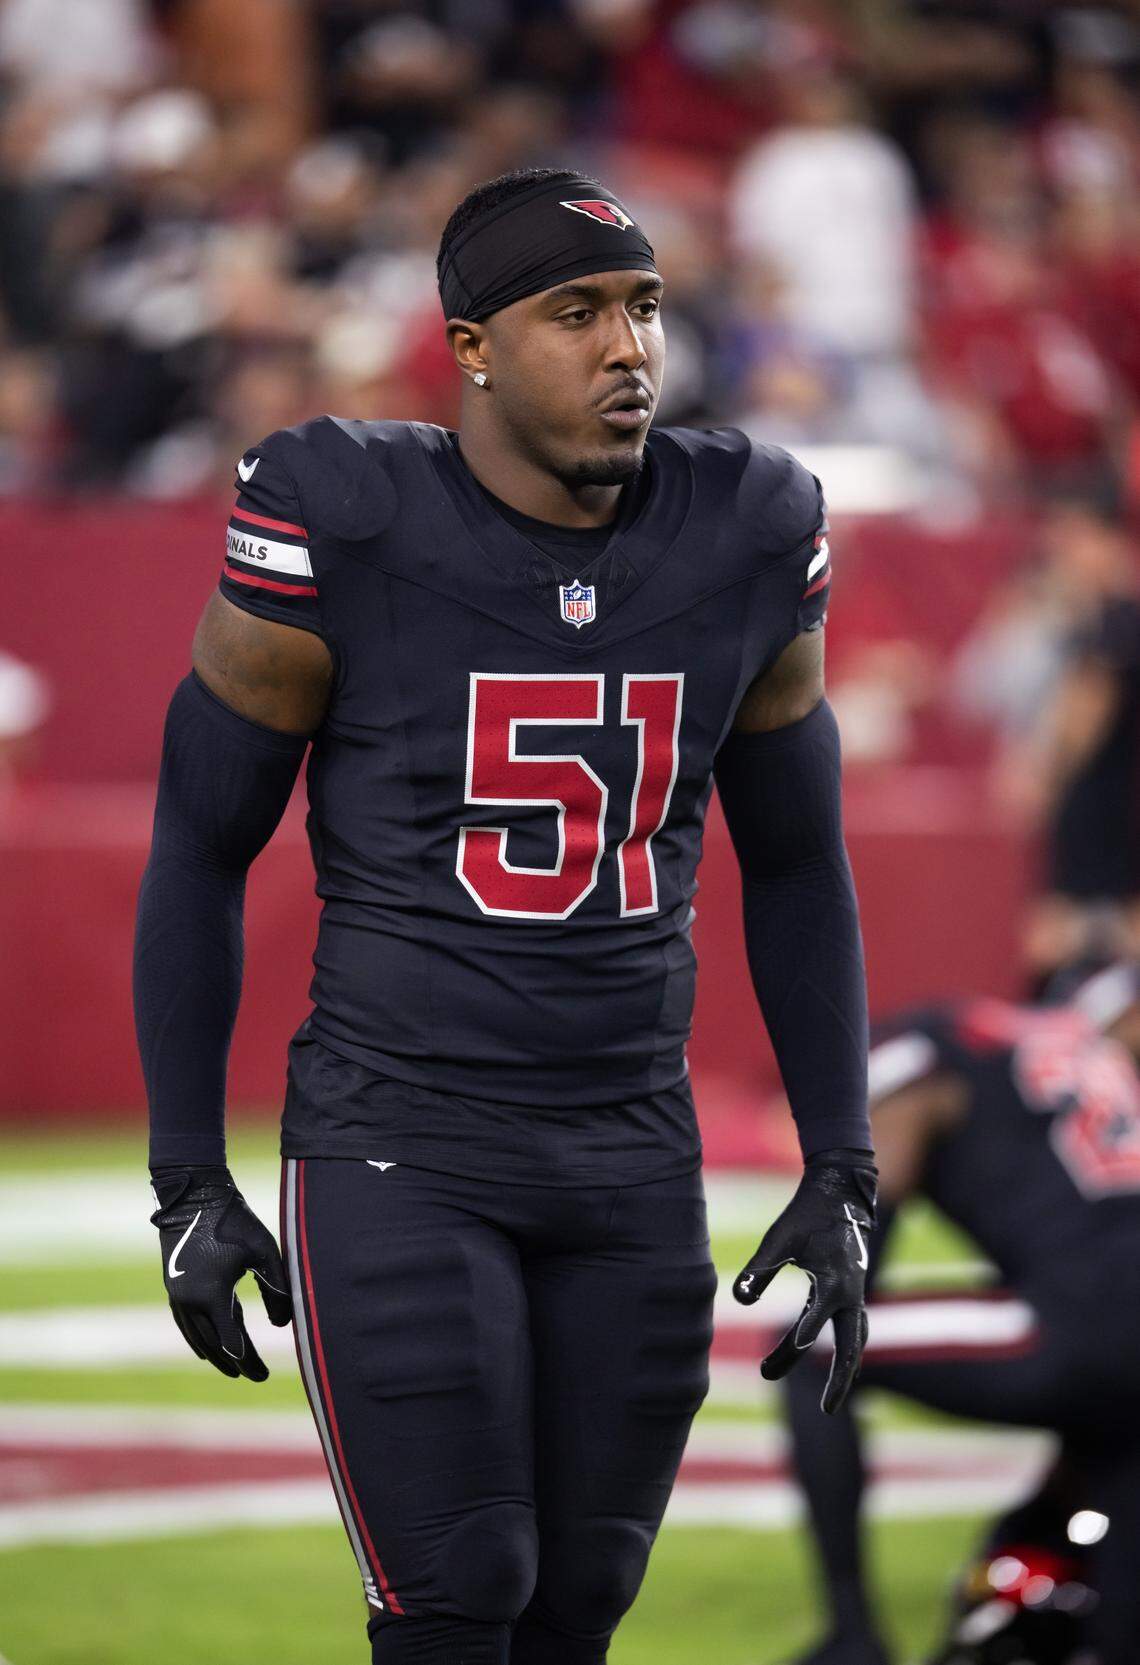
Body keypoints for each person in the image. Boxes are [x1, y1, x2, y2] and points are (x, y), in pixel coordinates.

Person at [133, 165, 877, 1665]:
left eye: (648, 309)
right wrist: (184, 1178)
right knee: (459, 1584)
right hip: (403, 1134)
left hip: (630, 1142)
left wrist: (843, 1160)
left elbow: (799, 863)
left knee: (580, 1600)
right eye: (577, 312)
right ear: (471, 344)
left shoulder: (748, 524)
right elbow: (200, 846)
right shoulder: (344, 513)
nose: (630, 350)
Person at [781, 965, 1140, 1665]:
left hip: (1089, 1318)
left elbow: (858, 1243)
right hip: (1112, 1326)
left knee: (810, 1346)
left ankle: (852, 1635)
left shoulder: (916, 1052)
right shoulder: (1060, 1039)